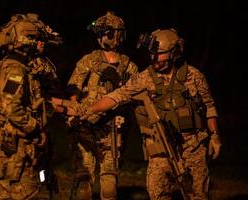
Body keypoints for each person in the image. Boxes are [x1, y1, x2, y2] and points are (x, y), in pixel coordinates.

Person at [73, 28, 222, 200]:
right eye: (151, 53)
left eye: (159, 54)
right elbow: (116, 97)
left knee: (197, 195)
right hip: (161, 148)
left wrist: (215, 136)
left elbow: (209, 107)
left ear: (174, 53)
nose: (154, 58)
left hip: (194, 147)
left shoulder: (194, 76)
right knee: (158, 194)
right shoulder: (144, 78)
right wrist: (88, 110)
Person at [0, 13, 61, 199]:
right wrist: (34, 127)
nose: (39, 43)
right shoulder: (16, 68)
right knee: (24, 191)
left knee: (5, 191)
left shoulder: (12, 65)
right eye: (34, 38)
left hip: (8, 141)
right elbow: (11, 106)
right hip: (17, 144)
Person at [66, 11, 138, 200]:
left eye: (105, 32)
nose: (101, 37)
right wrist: (74, 112)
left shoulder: (129, 67)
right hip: (86, 128)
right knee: (83, 179)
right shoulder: (89, 60)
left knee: (109, 181)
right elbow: (73, 89)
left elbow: (134, 97)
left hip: (112, 130)